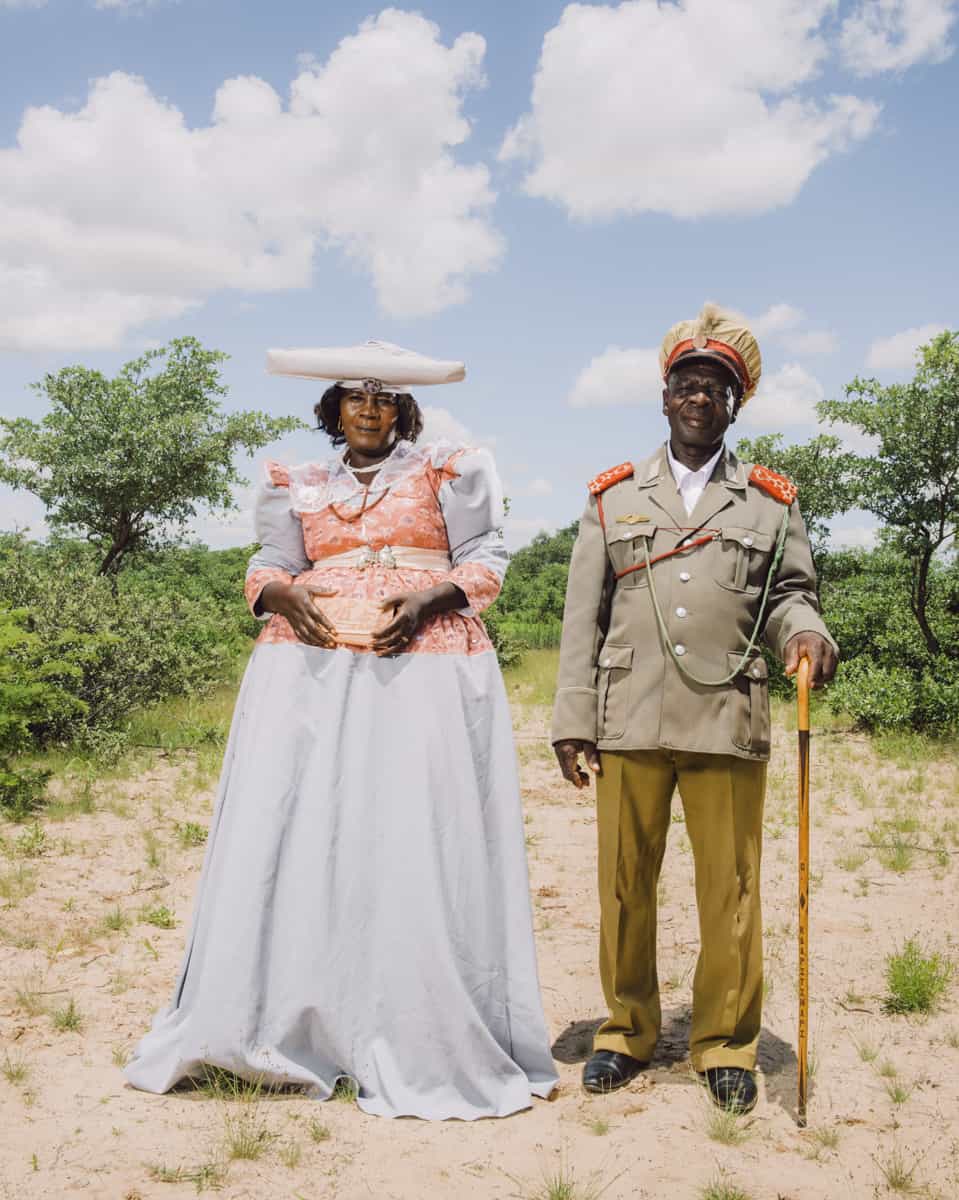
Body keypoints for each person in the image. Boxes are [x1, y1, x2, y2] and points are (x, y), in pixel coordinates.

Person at [125, 340, 558, 1120]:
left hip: (418, 663)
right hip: (309, 669)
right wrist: (281, 596)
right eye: (353, 397)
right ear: (333, 409)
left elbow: (487, 553)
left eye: (383, 398)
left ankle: (413, 1019)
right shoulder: (301, 483)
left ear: (403, 410)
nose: (368, 408)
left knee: (409, 825)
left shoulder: (447, 470)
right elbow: (267, 560)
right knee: (306, 824)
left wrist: (430, 599)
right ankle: (298, 1014)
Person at [551, 305, 837, 1113]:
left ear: (733, 405)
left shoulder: (769, 504)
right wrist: (572, 717)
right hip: (628, 714)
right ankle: (625, 1031)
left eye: (714, 388)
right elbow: (584, 616)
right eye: (686, 384)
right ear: (665, 396)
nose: (698, 398)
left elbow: (791, 594)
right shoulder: (612, 499)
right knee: (622, 885)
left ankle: (724, 1044)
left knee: (731, 891)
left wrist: (806, 634)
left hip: (726, 716)